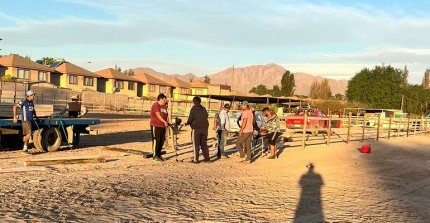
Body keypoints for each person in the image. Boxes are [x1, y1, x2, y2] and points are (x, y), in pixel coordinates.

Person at [13, 90, 38, 154]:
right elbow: (15, 106)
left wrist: (36, 117)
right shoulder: (24, 101)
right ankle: (24, 149)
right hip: (25, 120)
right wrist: (15, 116)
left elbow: (33, 110)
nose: (34, 96)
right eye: (33, 95)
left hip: (30, 120)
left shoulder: (31, 102)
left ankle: (25, 147)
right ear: (29, 96)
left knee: (27, 135)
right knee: (29, 135)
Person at [186, 96, 210, 163]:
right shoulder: (204, 109)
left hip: (196, 129)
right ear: (200, 101)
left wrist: (187, 123)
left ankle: (195, 159)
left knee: (196, 145)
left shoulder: (193, 109)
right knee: (204, 144)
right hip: (205, 129)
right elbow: (206, 116)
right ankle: (207, 158)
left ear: (194, 102)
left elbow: (190, 119)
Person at [150, 93, 169, 161]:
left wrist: (166, 122)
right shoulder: (156, 105)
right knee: (156, 140)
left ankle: (159, 154)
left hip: (163, 126)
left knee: (162, 140)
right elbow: (158, 115)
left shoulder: (164, 107)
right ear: (161, 99)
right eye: (164, 100)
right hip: (156, 125)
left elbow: (166, 115)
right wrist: (164, 121)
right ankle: (155, 155)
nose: (165, 101)